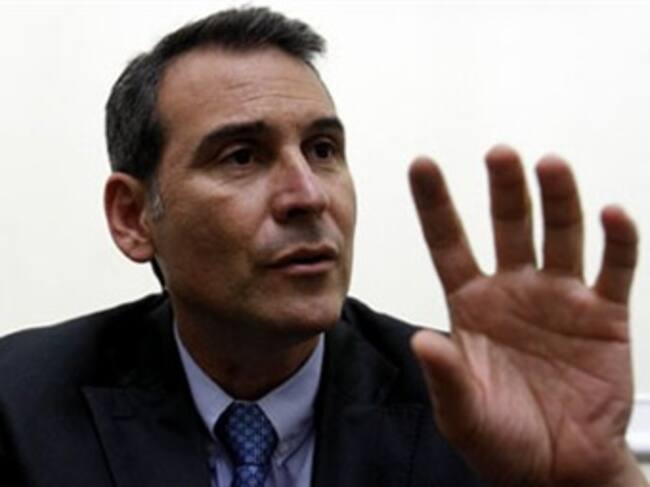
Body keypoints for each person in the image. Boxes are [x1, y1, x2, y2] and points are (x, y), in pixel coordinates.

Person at [0, 6, 646, 487]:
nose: (308, 195)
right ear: (134, 216)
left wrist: (600, 477)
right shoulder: (20, 404)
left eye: (323, 149)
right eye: (242, 156)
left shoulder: (472, 412)